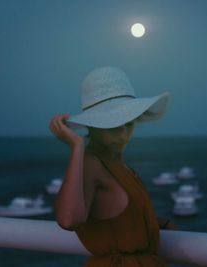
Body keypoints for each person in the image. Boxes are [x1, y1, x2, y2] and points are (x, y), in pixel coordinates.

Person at [49, 66, 173, 266]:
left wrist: (155, 224)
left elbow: (115, 217)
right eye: (114, 126)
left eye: (129, 123)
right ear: (92, 125)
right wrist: (77, 146)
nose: (123, 135)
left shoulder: (116, 163)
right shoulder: (92, 163)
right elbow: (68, 219)